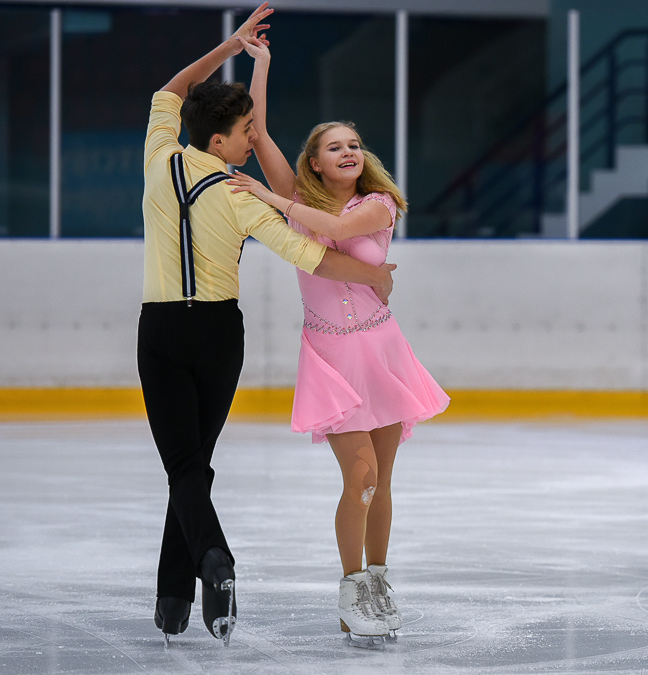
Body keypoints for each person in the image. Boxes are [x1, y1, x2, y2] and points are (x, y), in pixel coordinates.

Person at [138, 3, 396, 648]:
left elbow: (170, 92)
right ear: (224, 140)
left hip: (161, 329)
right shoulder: (241, 195)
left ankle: (192, 580)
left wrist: (228, 49)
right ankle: (188, 583)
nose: (254, 139)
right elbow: (311, 253)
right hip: (220, 336)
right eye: (246, 132)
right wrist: (375, 276)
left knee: (184, 466)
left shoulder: (159, 157)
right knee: (193, 464)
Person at [228, 34, 450, 646]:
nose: (348, 151)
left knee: (383, 479)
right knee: (361, 475)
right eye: (334, 147)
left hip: (381, 352)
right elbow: (261, 134)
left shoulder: (379, 205)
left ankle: (379, 579)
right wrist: (263, 64)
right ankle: (353, 587)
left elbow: (331, 228)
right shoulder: (300, 196)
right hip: (330, 356)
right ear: (316, 163)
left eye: (354, 144)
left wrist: (271, 199)